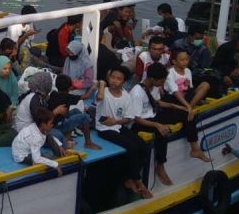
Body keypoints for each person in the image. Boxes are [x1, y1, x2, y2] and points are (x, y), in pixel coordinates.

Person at [96, 67, 153, 199]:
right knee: (131, 148)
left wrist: (116, 121)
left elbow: (128, 118)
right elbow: (99, 98)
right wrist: (102, 84)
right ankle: (138, 181)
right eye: (112, 77)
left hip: (117, 125)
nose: (114, 81)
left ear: (124, 82)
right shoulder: (103, 92)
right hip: (104, 128)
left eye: (118, 79)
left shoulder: (126, 96)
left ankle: (130, 177)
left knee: (143, 146)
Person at [130, 63, 189, 185]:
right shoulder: (137, 93)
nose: (162, 84)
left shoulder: (154, 87)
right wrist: (157, 125)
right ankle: (160, 165)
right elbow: (137, 119)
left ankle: (194, 145)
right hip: (141, 122)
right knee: (161, 132)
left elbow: (157, 102)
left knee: (185, 114)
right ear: (153, 79)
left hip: (153, 115)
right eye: (161, 81)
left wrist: (176, 106)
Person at [163, 50, 212, 161]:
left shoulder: (188, 71)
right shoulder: (170, 73)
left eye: (187, 59)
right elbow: (175, 92)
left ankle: (189, 108)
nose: (185, 62)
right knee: (189, 116)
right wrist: (189, 107)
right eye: (182, 59)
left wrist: (189, 105)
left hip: (187, 98)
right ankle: (195, 148)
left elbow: (189, 89)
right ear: (174, 61)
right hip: (175, 99)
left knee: (205, 85)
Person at [47, 74, 100, 150]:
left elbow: (68, 90)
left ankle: (67, 137)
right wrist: (93, 87)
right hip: (58, 127)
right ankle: (88, 143)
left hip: (54, 122)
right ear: (69, 87)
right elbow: (86, 96)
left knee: (75, 111)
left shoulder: (54, 94)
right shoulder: (67, 97)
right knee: (84, 117)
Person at [12, 107, 66, 176]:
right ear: (43, 124)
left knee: (48, 135)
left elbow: (48, 135)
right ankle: (57, 158)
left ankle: (59, 153)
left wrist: (59, 145)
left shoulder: (37, 126)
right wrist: (55, 164)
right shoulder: (36, 138)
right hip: (21, 155)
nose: (52, 125)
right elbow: (36, 159)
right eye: (50, 123)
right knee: (47, 158)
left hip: (19, 144)